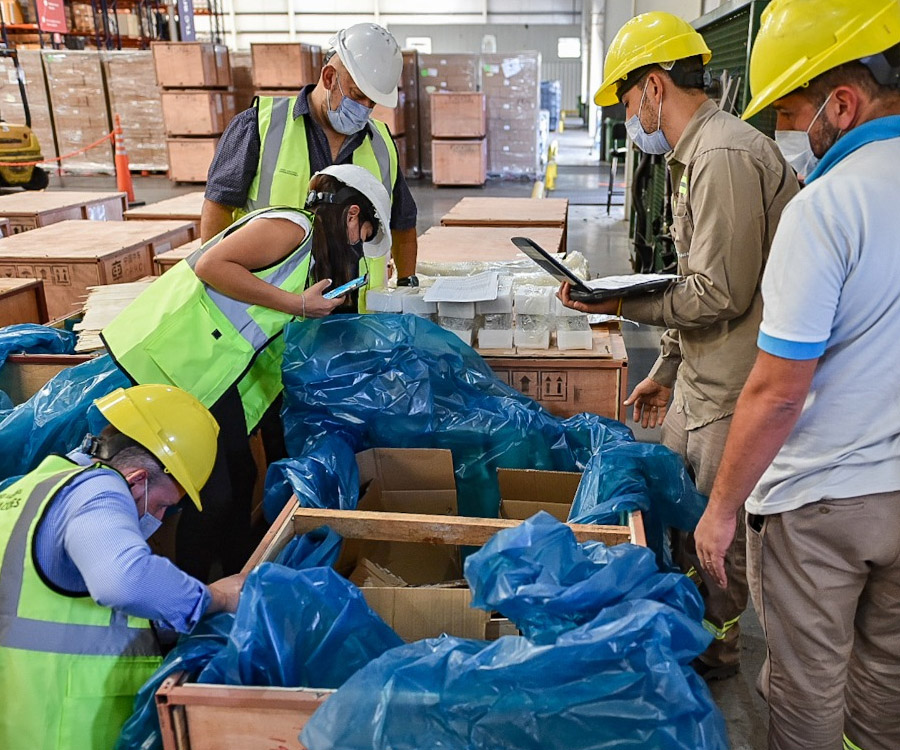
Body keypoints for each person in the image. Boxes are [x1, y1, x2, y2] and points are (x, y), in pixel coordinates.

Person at [559, 11, 799, 680]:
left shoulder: (722, 155)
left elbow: (717, 293)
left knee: (717, 542)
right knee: (678, 516)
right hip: (700, 379)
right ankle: (685, 626)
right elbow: (690, 275)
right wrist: (664, 365)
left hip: (735, 389)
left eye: (630, 101)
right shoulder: (695, 157)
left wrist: (619, 303)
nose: (631, 116)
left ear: (657, 86)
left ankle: (716, 649)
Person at [694, 0, 900, 747]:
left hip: (822, 504)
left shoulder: (827, 206)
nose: (784, 130)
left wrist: (722, 510)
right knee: (884, 690)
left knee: (806, 692)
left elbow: (779, 391)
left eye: (790, 109)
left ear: (841, 103)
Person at [102, 164, 392, 582]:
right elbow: (212, 266)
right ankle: (195, 594)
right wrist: (298, 305)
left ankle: (238, 577)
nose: (359, 247)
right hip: (171, 356)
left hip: (206, 370)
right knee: (213, 493)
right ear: (351, 215)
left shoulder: (311, 254)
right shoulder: (292, 228)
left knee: (241, 476)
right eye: (364, 235)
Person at [0, 384, 245, 750]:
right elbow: (124, 581)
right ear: (138, 479)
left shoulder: (32, 487)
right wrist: (218, 598)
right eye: (164, 505)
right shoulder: (100, 489)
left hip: (20, 716)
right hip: (64, 727)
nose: (160, 519)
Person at [201, 22, 418, 289]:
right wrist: (218, 287)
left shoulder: (382, 144)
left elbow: (403, 224)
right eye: (357, 95)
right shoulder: (260, 125)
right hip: (271, 311)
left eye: (372, 103)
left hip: (356, 313)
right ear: (329, 78)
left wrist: (407, 285)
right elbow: (218, 207)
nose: (364, 109)